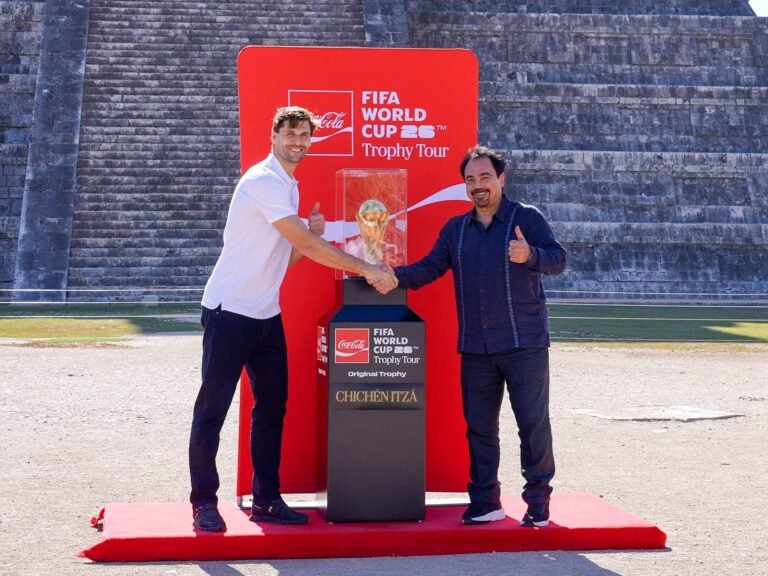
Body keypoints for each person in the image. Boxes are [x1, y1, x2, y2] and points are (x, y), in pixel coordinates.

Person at [189, 106, 395, 532]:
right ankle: (204, 502)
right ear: (273, 136)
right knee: (212, 410)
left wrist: (310, 237)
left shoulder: (288, 187)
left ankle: (266, 499)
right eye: (290, 133)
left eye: (304, 135)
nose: (297, 141)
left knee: (272, 409)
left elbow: (288, 258)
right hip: (229, 311)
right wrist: (367, 269)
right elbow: (306, 245)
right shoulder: (263, 181)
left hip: (266, 313)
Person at [384, 145, 566, 527]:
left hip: (524, 343)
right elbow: (427, 269)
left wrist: (530, 254)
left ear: (501, 179)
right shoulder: (455, 230)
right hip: (476, 347)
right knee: (480, 429)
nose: (478, 185)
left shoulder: (526, 218)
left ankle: (538, 503)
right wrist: (388, 275)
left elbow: (558, 259)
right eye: (470, 179)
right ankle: (485, 502)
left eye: (485, 177)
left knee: (532, 424)